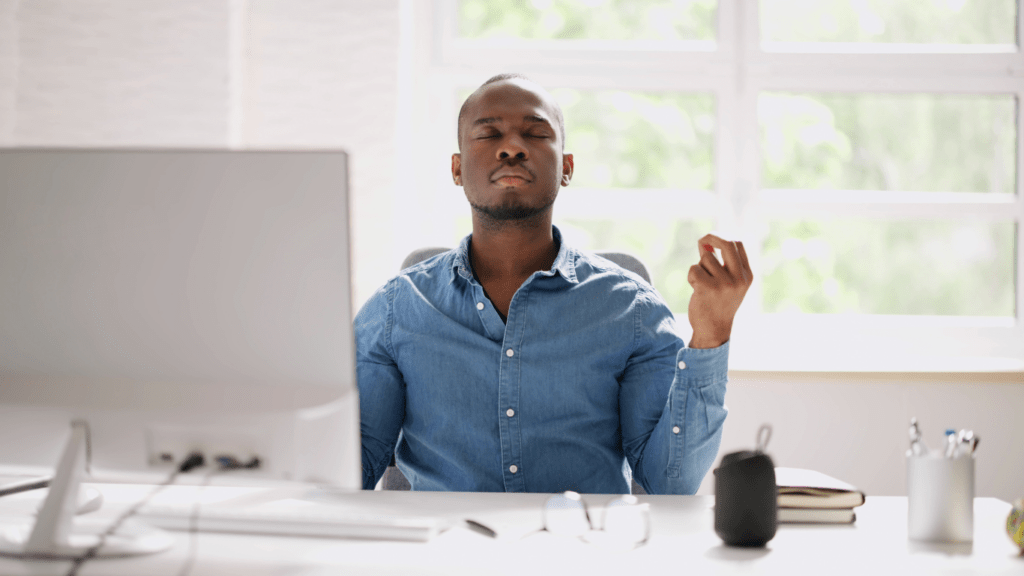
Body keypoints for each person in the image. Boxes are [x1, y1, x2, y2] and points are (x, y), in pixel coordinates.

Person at [356, 73, 752, 494]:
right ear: (457, 168)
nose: (511, 148)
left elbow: (668, 486)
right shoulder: (395, 309)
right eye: (489, 134)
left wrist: (711, 334)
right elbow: (345, 477)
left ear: (566, 168)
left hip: (583, 552)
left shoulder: (632, 311)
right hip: (443, 551)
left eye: (535, 133)